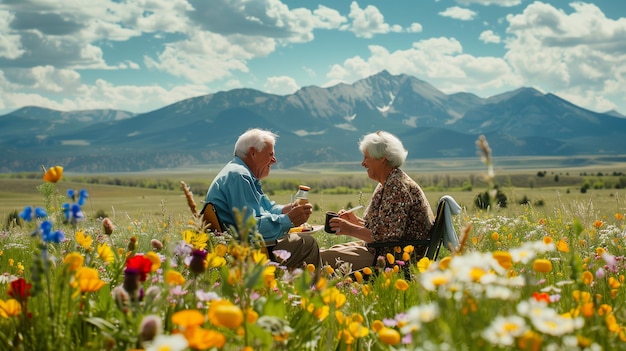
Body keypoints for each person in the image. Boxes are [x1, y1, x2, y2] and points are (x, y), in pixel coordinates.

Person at [205, 128, 321, 275]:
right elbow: (251, 229)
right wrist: (289, 220)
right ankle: (312, 294)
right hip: (244, 252)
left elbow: (266, 208)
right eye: (270, 154)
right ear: (253, 153)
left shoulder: (241, 173)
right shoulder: (239, 176)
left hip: (243, 246)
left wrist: (288, 209)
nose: (274, 160)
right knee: (307, 244)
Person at [320, 131, 435, 272]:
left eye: (366, 158)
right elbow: (382, 229)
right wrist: (354, 222)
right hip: (379, 251)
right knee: (329, 251)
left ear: (382, 158)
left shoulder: (397, 187)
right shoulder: (389, 182)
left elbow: (387, 238)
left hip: (390, 259)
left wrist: (348, 229)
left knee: (320, 258)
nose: (363, 163)